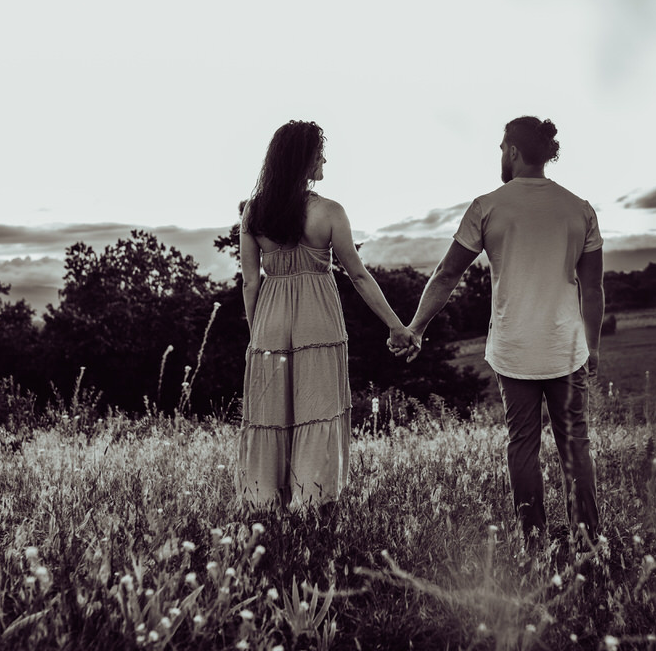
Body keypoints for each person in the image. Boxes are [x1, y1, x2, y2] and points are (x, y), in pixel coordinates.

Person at [395, 116, 604, 549]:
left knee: (522, 445)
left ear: (512, 150)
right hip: (567, 349)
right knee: (575, 446)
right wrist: (593, 347)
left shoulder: (487, 206)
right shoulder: (579, 208)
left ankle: (535, 544)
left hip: (514, 348)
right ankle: (587, 545)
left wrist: (416, 326)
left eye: (500, 148)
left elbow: (447, 274)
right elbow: (593, 287)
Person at [237, 120, 418, 509]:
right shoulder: (330, 211)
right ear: (304, 159)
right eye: (320, 154)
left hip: (269, 322)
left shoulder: (254, 211)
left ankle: (264, 502)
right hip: (317, 321)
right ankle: (310, 503)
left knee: (271, 414)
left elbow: (250, 283)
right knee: (317, 409)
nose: (324, 161)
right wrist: (396, 326)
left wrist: (258, 336)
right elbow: (358, 275)